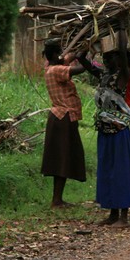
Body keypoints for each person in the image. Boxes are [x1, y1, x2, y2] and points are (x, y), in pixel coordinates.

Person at [93, 30, 130, 227]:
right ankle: (112, 213)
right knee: (108, 170)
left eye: (111, 56)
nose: (107, 60)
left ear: (119, 59)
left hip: (120, 130)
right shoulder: (103, 75)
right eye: (105, 56)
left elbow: (126, 55)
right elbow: (86, 61)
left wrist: (123, 28)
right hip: (105, 130)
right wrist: (87, 46)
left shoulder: (123, 76)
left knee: (122, 171)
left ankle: (124, 216)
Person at [41, 40, 90, 208]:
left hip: (60, 117)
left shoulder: (49, 67)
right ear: (55, 55)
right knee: (62, 159)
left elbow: (66, 59)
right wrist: (89, 54)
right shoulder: (56, 70)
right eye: (60, 51)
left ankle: (57, 199)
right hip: (64, 118)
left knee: (62, 158)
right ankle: (56, 200)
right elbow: (80, 69)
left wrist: (75, 52)